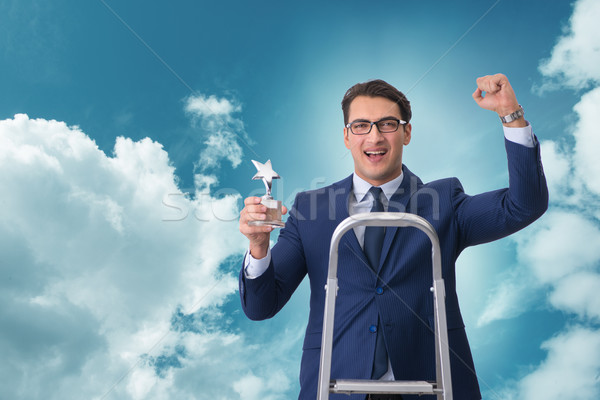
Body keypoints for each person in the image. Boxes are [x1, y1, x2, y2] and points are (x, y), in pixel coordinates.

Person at [238, 74, 548, 400]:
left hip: (433, 388)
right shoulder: (310, 209)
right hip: (335, 389)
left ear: (406, 132)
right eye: (361, 126)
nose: (374, 136)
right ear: (346, 137)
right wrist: (258, 248)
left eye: (387, 124)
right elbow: (261, 306)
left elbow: (523, 206)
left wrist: (511, 117)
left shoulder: (444, 201)